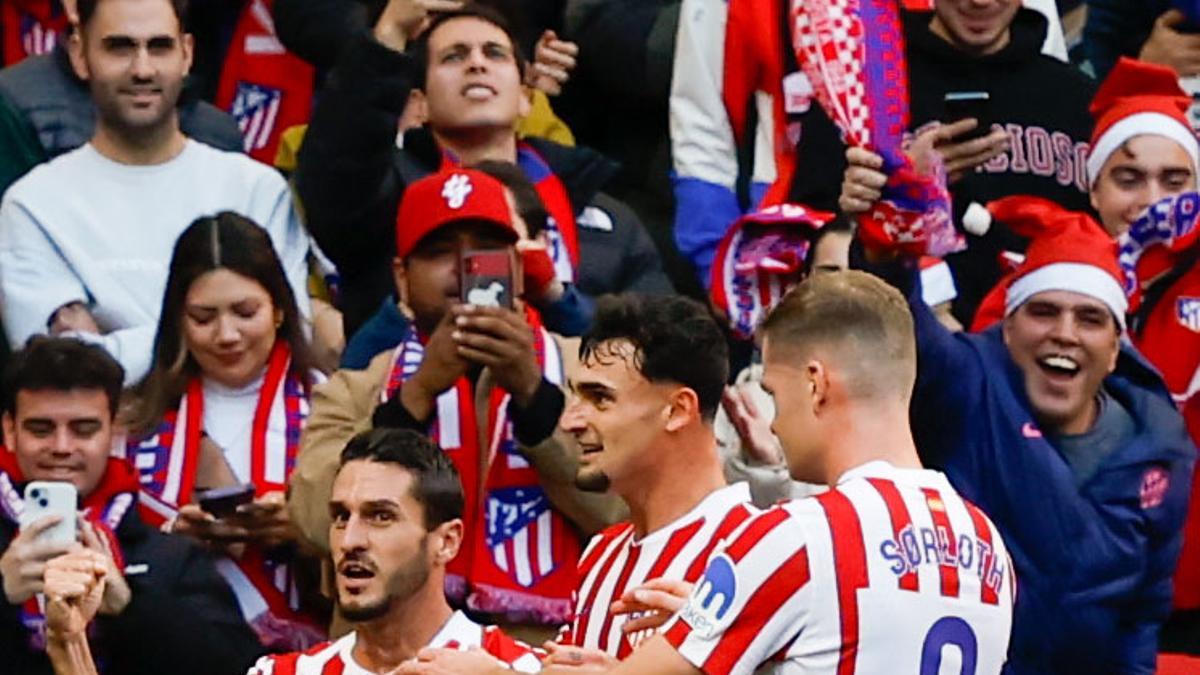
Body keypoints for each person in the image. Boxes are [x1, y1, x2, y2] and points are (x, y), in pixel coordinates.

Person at [405, 271, 1016, 675]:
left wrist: (494, 670)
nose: (772, 424)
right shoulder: (988, 546)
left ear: (815, 382)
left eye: (772, 390)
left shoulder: (797, 537)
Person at [846, 196, 1195, 670]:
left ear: (1115, 349)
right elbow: (894, 321)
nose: (1065, 334)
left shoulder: (1160, 447)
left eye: (1090, 319)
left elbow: (1142, 617)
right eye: (1044, 312)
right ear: (1008, 329)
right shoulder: (967, 385)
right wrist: (884, 246)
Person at [290, 168, 625, 639]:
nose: (463, 266)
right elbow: (310, 520)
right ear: (402, 278)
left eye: (484, 248)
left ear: (516, 264)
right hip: (392, 656)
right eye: (439, 252)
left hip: (547, 656)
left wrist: (535, 396)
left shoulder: (591, 372)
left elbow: (630, 512)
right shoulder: (357, 386)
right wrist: (416, 397)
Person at [294, 0, 671, 339]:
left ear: (526, 96)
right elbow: (335, 174)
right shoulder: (387, 198)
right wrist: (388, 35)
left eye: (495, 53)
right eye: (453, 57)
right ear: (419, 103)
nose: (477, 63)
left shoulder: (604, 216)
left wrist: (560, 301)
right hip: (411, 409)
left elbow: (661, 339)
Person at [0, 0, 311, 384]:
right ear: (79, 54)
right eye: (120, 47)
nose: (142, 69)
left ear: (187, 53)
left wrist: (112, 345)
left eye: (159, 46)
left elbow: (291, 338)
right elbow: (60, 374)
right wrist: (216, 334)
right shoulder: (32, 205)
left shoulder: (256, 190)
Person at [121, 212, 325, 651]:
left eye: (245, 312)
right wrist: (173, 544)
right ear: (177, 319)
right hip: (178, 648)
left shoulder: (332, 404)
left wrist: (304, 529)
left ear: (280, 309)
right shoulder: (133, 421)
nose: (226, 334)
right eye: (203, 317)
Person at [0, 337, 262, 674]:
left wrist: (129, 606)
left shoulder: (170, 556)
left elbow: (244, 668)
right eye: (41, 429)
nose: (62, 446)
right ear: (9, 430)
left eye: (84, 429)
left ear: (114, 431)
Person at [548, 294, 754, 661]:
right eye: (574, 396)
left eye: (599, 399)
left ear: (677, 410)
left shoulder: (757, 550)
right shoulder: (601, 554)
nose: (570, 422)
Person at [248, 428, 543, 674]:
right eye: (341, 516)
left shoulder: (518, 667)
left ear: (446, 541)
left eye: (380, 517)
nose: (350, 541)